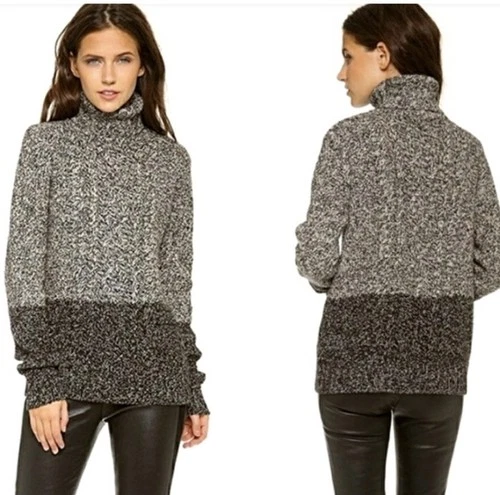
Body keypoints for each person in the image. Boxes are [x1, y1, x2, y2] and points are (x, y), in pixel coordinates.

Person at [4, 4, 209, 494]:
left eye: (123, 59)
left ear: (144, 66)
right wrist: (42, 376)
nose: (109, 76)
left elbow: (175, 281)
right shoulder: (44, 146)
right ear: (73, 65)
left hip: (156, 374)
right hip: (65, 369)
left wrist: (191, 383)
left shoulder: (170, 160)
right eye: (94, 61)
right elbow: (23, 265)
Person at [295, 4, 500, 494]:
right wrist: (441, 287)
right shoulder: (465, 148)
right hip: (440, 357)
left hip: (353, 357)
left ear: (383, 55)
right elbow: (493, 259)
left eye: (348, 56)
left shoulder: (346, 140)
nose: (341, 72)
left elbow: (316, 255)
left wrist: (355, 280)